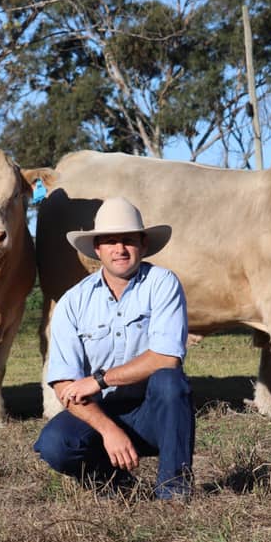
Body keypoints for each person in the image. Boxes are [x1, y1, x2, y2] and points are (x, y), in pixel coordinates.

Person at [33, 197, 194, 499]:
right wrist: (109, 430)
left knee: (169, 381)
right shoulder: (73, 302)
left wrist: (99, 380)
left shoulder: (163, 284)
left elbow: (166, 358)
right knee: (55, 444)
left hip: (154, 410)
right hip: (100, 411)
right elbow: (65, 384)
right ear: (97, 249)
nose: (120, 249)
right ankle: (116, 484)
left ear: (143, 244)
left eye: (128, 240)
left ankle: (173, 491)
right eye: (110, 241)